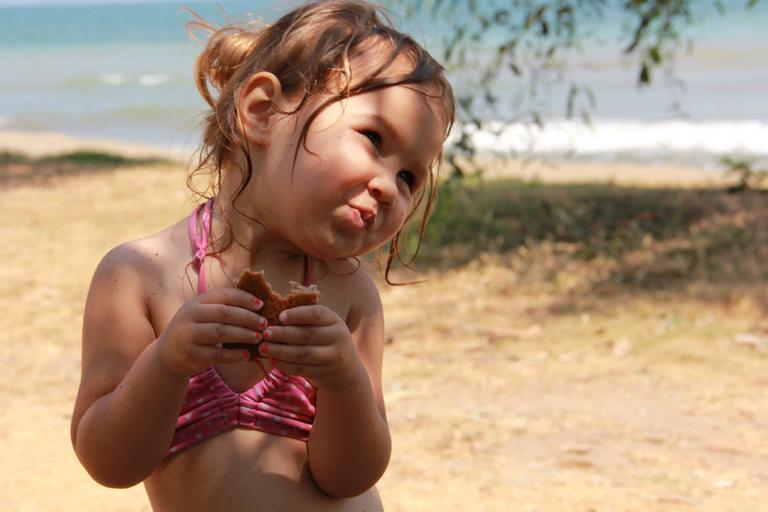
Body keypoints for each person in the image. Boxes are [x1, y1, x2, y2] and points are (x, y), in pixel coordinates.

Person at [70, 1, 455, 510]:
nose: (389, 186)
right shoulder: (139, 276)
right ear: (262, 112)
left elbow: (348, 477)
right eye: (373, 138)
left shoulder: (350, 295)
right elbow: (110, 464)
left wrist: (343, 381)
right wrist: (166, 363)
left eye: (409, 177)